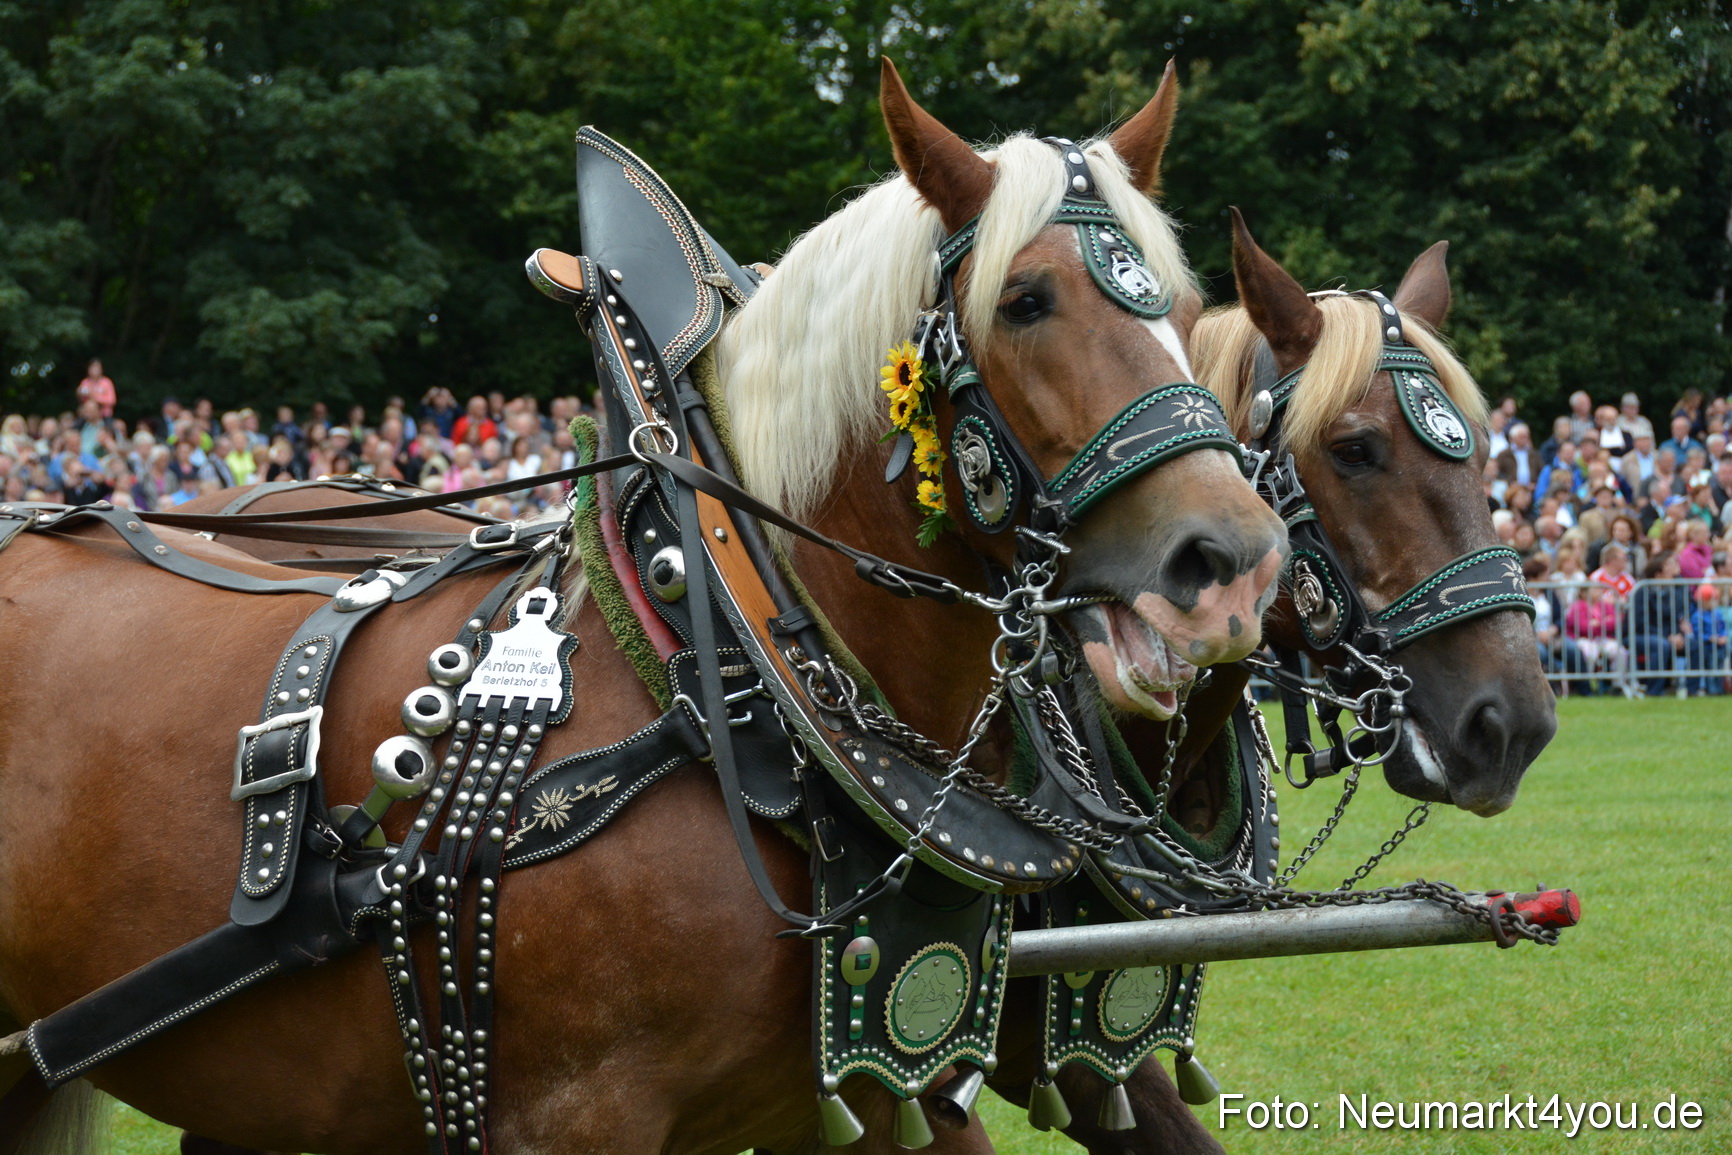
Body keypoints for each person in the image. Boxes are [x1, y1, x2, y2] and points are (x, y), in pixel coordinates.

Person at [1631, 553, 1690, 696]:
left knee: (1695, 644)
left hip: (1667, 636)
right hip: (1639, 635)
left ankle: (1693, 690)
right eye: (1668, 570)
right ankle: (1654, 690)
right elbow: (1640, 623)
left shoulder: (1672, 592)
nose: (1673, 575)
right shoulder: (1642, 591)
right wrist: (1667, 636)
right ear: (1658, 575)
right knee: (1661, 645)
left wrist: (1678, 635)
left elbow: (1675, 618)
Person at [1563, 582, 1624, 693]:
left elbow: (1616, 622)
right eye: (1595, 589)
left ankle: (1618, 685)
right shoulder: (1578, 605)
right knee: (1589, 653)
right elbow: (1582, 627)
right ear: (1584, 592)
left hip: (1602, 639)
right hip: (1583, 639)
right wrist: (1604, 622)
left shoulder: (1604, 605)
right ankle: (1587, 685)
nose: (1599, 592)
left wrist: (1598, 623)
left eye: (1599, 589)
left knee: (1620, 652)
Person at [1686, 582, 1729, 695]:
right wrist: (1710, 638)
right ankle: (1712, 689)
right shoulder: (1697, 616)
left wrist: (1724, 636)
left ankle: (1720, 688)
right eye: (1713, 599)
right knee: (1711, 667)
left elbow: (1723, 627)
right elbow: (1697, 634)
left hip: (1720, 647)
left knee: (1719, 667)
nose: (1715, 602)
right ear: (1703, 601)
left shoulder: (1717, 613)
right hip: (1708, 647)